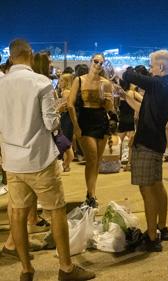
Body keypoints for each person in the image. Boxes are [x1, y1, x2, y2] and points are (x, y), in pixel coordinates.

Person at [0, 39, 95, 281]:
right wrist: (58, 109)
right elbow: (51, 123)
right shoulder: (40, 82)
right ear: (29, 55)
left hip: (13, 161)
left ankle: (26, 270)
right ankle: (65, 268)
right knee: (56, 212)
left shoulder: (1, 84)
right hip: (39, 159)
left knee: (18, 215)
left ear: (11, 57)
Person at [122, 50, 168, 252]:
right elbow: (143, 108)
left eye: (152, 65)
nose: (150, 69)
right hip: (156, 142)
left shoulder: (160, 84)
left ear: (161, 67)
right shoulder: (166, 88)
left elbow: (131, 76)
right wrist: (123, 95)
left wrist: (124, 72)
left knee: (147, 191)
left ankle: (152, 237)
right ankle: (162, 227)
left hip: (147, 143)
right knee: (156, 186)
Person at [68, 53, 114, 208]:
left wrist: (108, 100)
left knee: (97, 161)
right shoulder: (79, 80)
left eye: (102, 63)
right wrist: (76, 126)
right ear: (90, 62)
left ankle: (91, 193)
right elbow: (70, 104)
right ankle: (91, 194)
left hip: (101, 119)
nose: (98, 65)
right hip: (85, 121)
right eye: (96, 61)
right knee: (92, 159)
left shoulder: (106, 83)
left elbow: (110, 108)